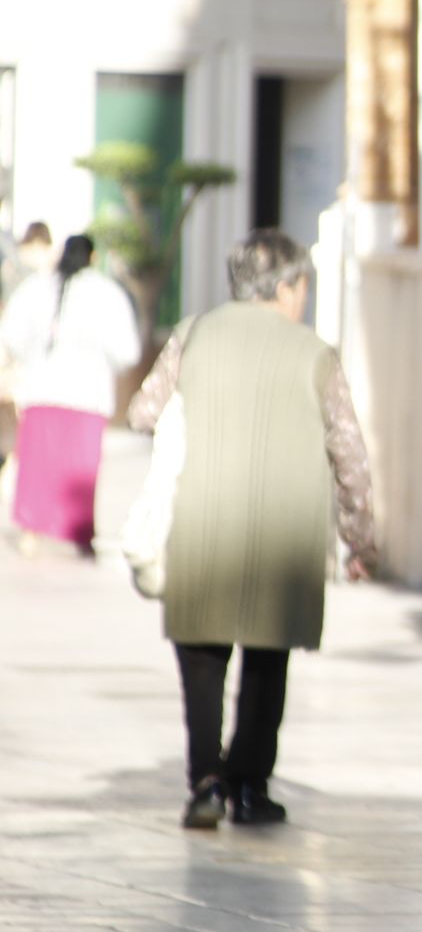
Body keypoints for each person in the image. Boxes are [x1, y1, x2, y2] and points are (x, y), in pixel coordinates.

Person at [127, 229, 378, 830]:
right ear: (288, 287)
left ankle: (205, 781)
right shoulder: (315, 353)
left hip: (201, 522)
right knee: (268, 663)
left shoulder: (193, 332)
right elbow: (350, 455)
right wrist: (360, 538)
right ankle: (250, 785)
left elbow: (142, 411)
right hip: (284, 536)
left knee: (203, 658)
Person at [0, 233, 139, 555]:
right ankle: (79, 535)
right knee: (79, 470)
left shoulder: (36, 288)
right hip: (87, 395)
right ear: (92, 257)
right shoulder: (107, 293)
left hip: (43, 391)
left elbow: (12, 336)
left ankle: (31, 532)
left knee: (39, 467)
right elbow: (127, 351)